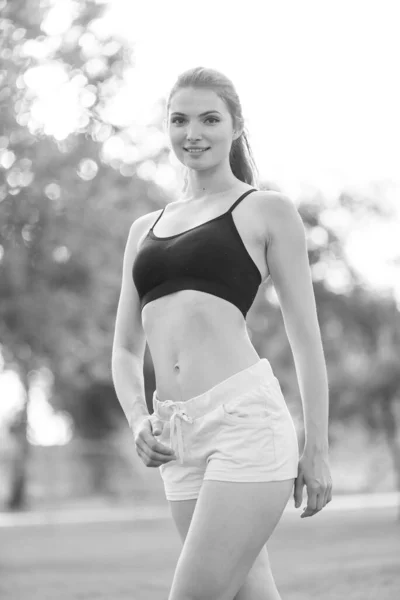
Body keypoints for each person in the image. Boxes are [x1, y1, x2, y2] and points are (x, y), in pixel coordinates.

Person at [112, 66, 332, 600]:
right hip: (175, 436)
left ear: (236, 127)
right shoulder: (145, 228)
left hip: (245, 424)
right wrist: (138, 418)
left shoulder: (266, 210)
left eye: (210, 118)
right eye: (180, 119)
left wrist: (318, 448)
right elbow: (123, 346)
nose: (194, 132)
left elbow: (305, 339)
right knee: (249, 592)